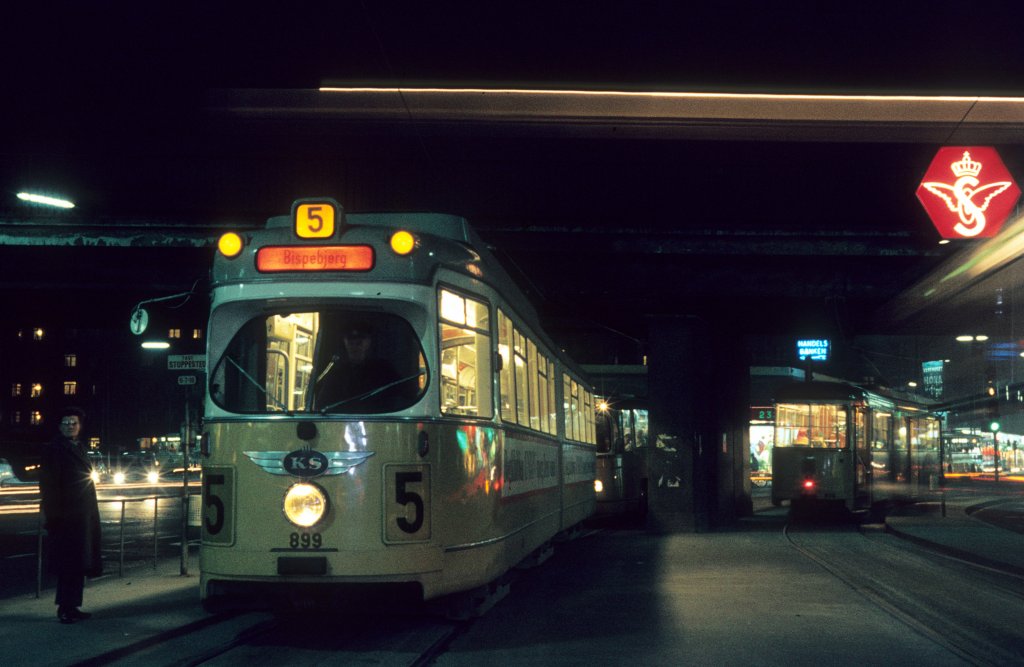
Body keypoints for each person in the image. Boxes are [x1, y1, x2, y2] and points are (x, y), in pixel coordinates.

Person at [39, 407, 102, 624]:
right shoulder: (55, 449)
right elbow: (48, 486)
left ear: (80, 426)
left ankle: (72, 606)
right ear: (59, 426)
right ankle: (65, 608)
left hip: (80, 516)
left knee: (78, 564)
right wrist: (54, 516)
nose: (69, 426)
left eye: (73, 423)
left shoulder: (78, 447)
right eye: (65, 423)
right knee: (69, 565)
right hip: (66, 517)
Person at [316, 322, 407, 412]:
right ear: (345, 342)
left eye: (359, 342)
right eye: (351, 342)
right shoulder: (336, 373)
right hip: (340, 421)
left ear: (368, 342)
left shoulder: (383, 370)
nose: (355, 347)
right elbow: (322, 404)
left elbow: (405, 393)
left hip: (377, 420)